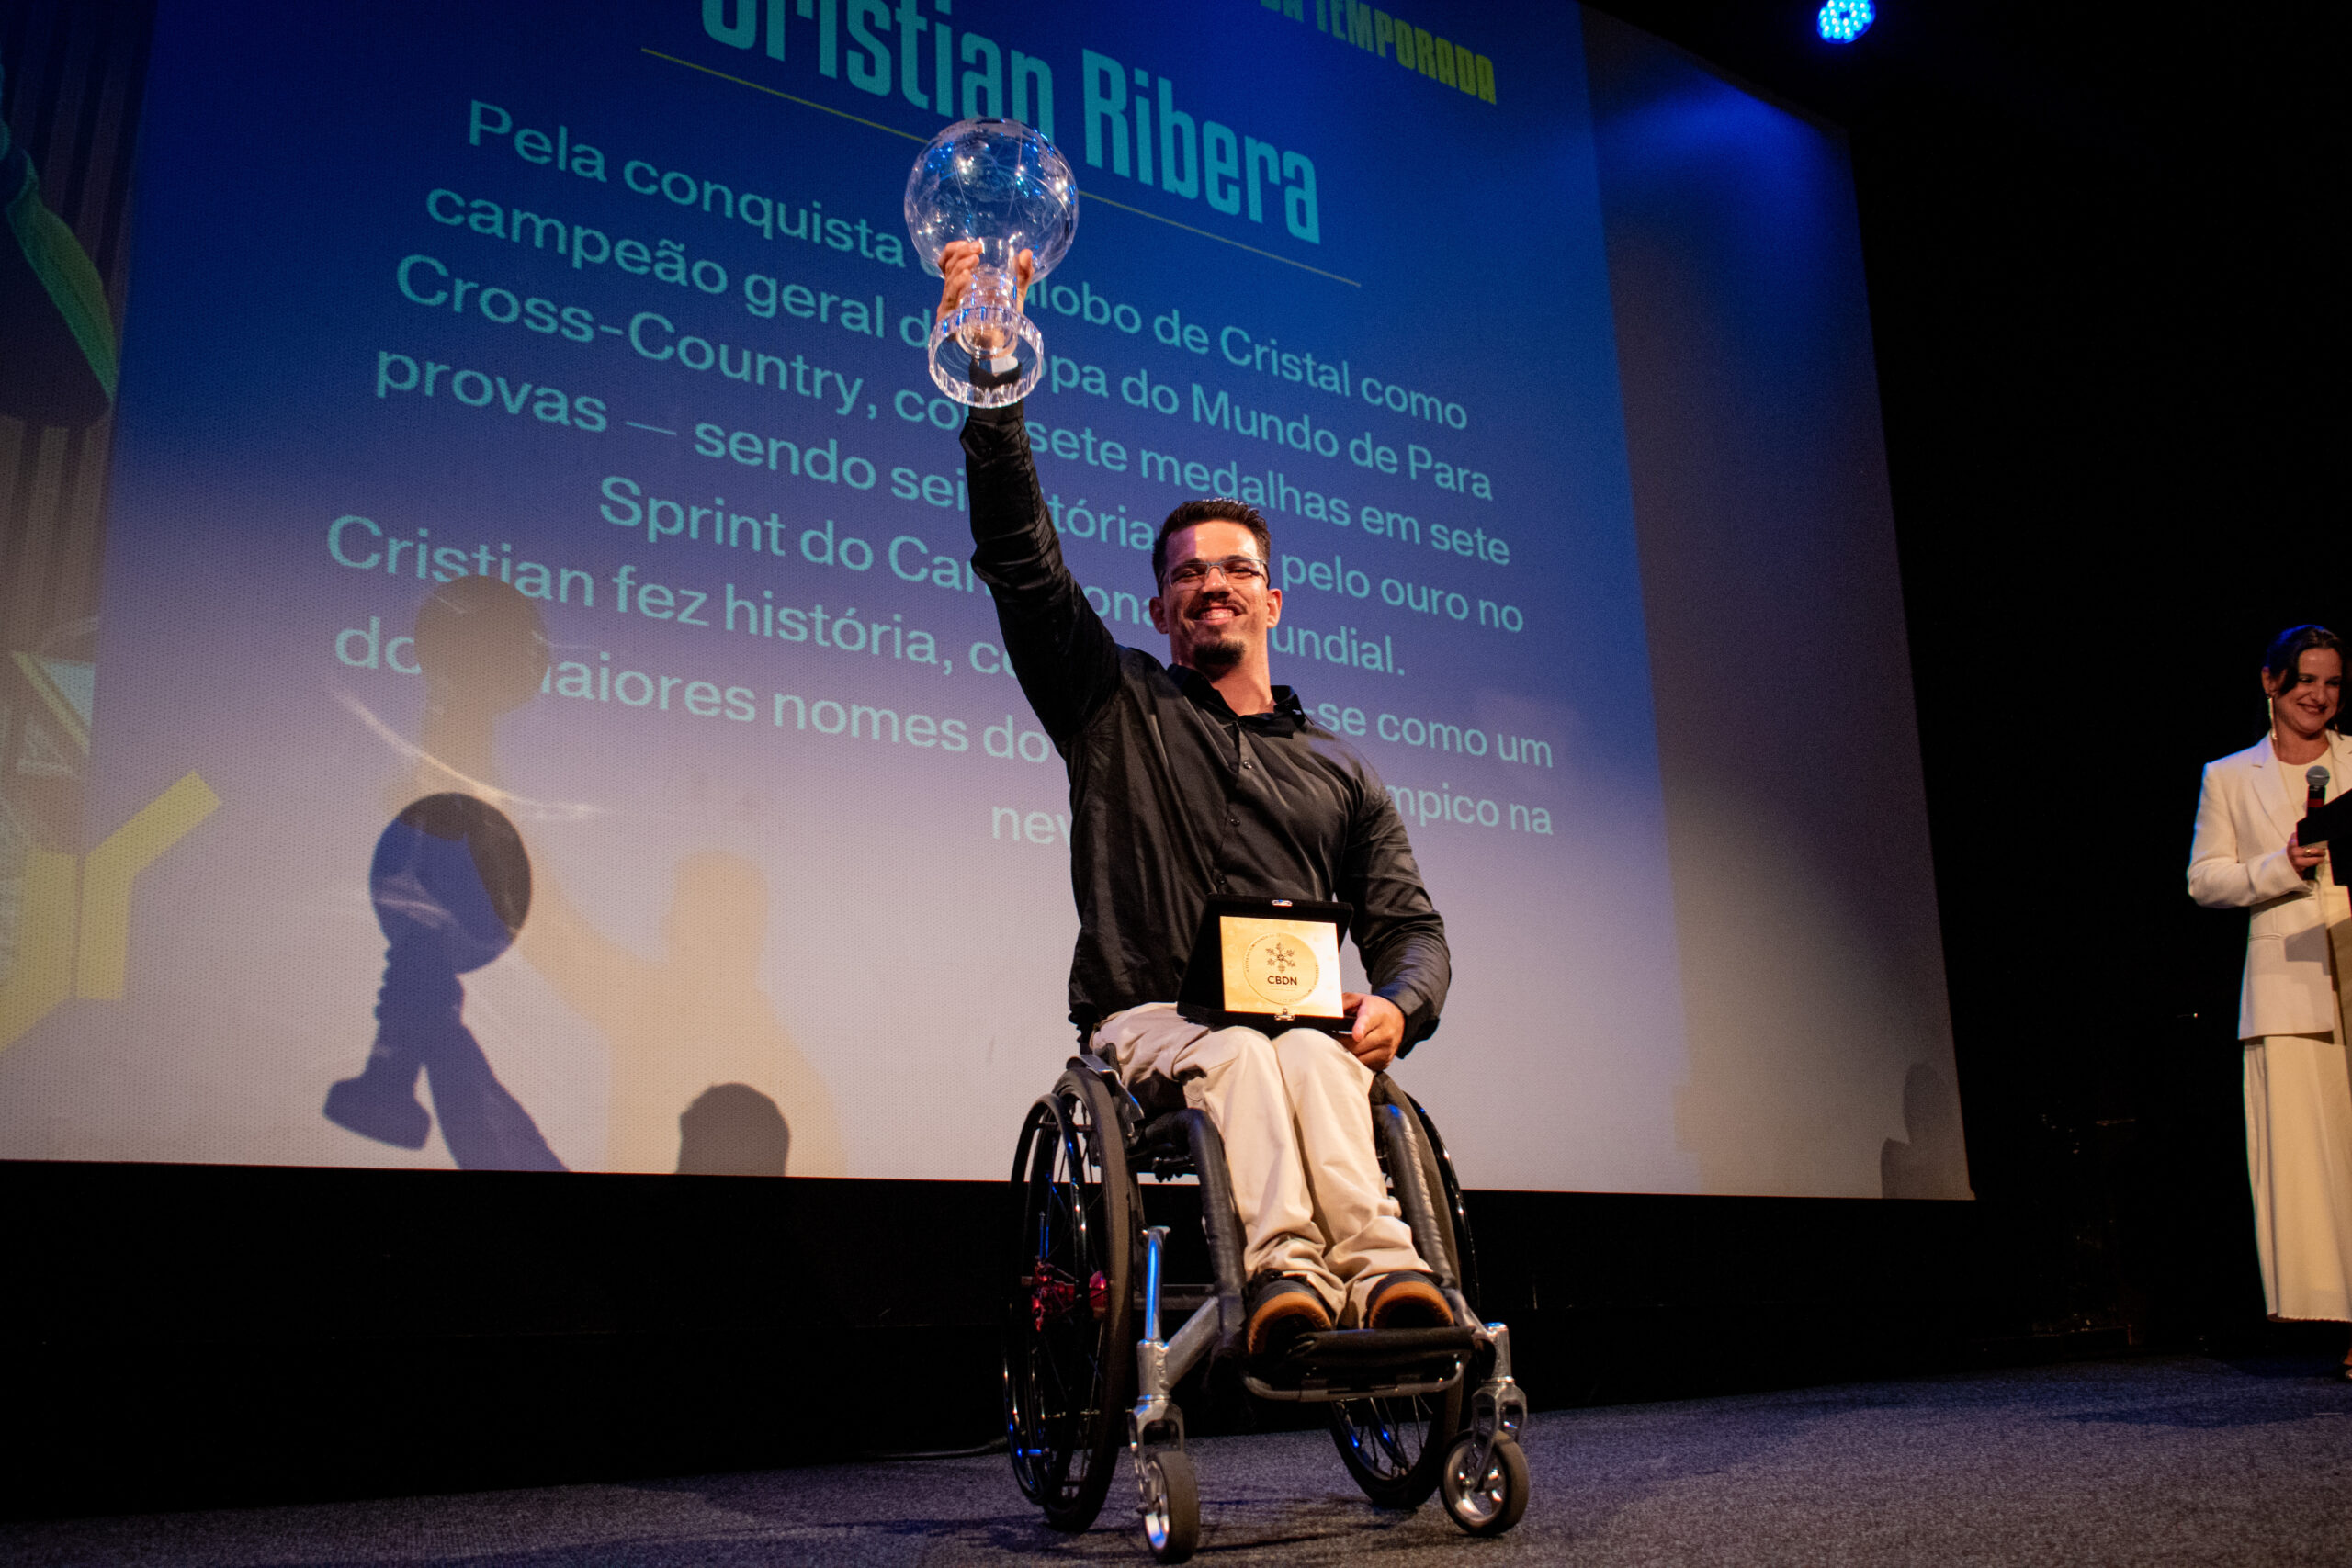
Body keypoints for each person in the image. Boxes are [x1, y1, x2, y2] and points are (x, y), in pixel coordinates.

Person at [941, 242, 1453, 1352]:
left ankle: (1387, 1276)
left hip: (1297, 1027)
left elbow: (1410, 930)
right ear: (1162, 608)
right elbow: (1021, 560)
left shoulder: (1341, 770)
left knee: (1308, 1051)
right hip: (1154, 1022)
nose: (1211, 586)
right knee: (1239, 1053)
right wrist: (993, 386)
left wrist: (1399, 1006)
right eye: (1186, 573)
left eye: (1233, 571)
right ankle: (1284, 1278)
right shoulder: (1113, 704)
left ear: (1273, 600)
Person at [2187, 623, 2352, 1379]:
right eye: (2305, 680)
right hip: (2288, 986)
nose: (2319, 695)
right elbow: (2205, 879)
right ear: (2271, 682)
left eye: (2332, 682)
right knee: (2316, 1167)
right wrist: (2279, 865)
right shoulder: (2229, 776)